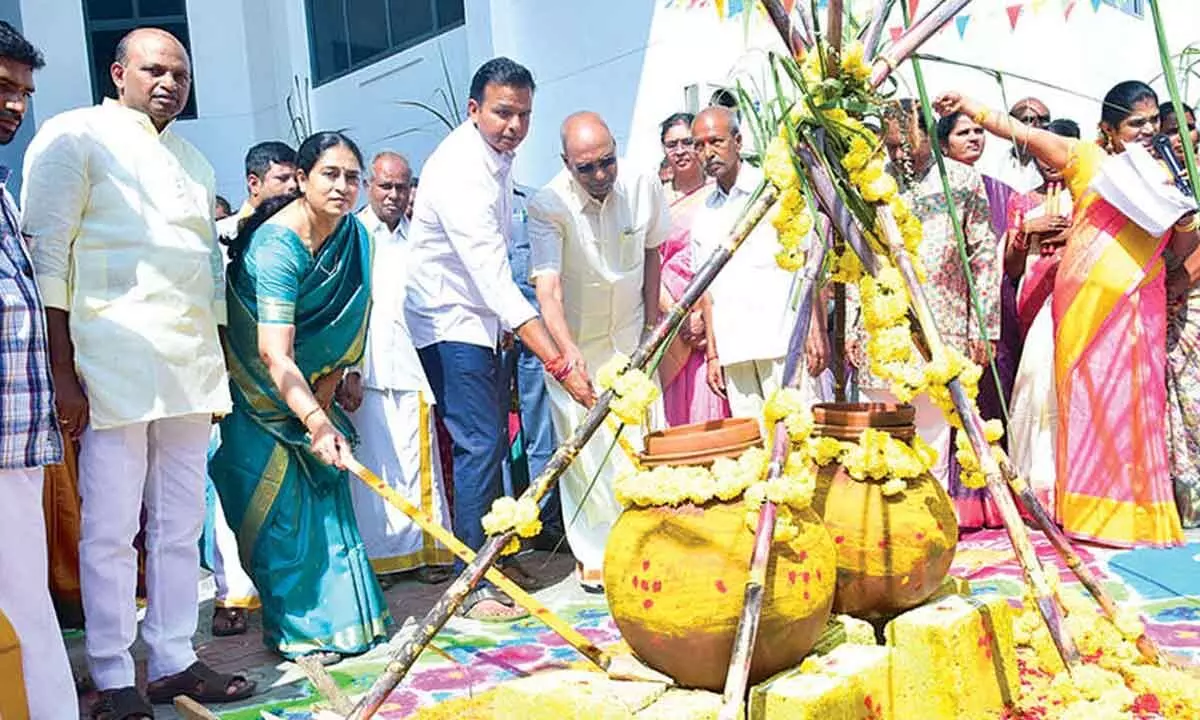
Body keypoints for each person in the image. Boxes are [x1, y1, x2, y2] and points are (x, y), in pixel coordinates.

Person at [22, 28, 256, 714]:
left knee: (181, 524)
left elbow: (207, 272)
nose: (168, 83)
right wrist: (62, 369)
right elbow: (48, 261)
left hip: (186, 368)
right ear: (118, 72)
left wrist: (215, 366)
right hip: (107, 363)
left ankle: (174, 658)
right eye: (154, 69)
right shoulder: (73, 136)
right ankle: (114, 673)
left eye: (180, 74)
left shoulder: (192, 160)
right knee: (110, 528)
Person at [936, 82, 1193, 547]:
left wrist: (1184, 228)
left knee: (1139, 405)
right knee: (1093, 404)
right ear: (1108, 131)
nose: (1148, 130)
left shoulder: (1171, 177)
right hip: (1087, 304)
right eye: (1136, 122)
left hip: (1144, 298)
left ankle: (1138, 515)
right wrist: (971, 106)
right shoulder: (1088, 159)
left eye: (1153, 121)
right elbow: (1020, 132)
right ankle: (1092, 514)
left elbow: (1180, 246)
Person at [405, 57, 593, 620]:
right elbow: (493, 280)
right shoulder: (461, 168)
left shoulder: (497, 159)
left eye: (523, 114)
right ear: (473, 110)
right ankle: (471, 580)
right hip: (449, 322)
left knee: (489, 447)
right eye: (502, 112)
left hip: (481, 322)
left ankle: (493, 557)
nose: (513, 125)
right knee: (480, 445)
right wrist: (561, 362)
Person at [209, 131, 391, 664]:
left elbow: (342, 335)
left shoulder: (355, 239)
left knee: (326, 510)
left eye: (351, 177)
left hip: (315, 398)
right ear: (304, 179)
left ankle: (348, 626)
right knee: (282, 520)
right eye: (329, 174)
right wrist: (315, 421)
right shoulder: (276, 247)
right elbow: (272, 353)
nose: (342, 186)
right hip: (261, 402)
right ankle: (301, 633)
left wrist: (324, 402)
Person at [528, 111, 668, 591]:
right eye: (586, 168)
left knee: (641, 442)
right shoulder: (547, 204)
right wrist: (568, 354)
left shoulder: (643, 182)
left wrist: (652, 326)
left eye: (606, 162)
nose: (600, 176)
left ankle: (650, 538)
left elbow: (653, 252)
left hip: (631, 338)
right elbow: (548, 288)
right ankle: (597, 555)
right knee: (586, 453)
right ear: (567, 163)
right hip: (578, 344)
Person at [865, 100, 1000, 507]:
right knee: (885, 430)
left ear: (929, 135)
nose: (899, 155)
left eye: (906, 143)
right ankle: (896, 524)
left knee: (935, 433)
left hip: (943, 325)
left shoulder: (961, 179)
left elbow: (984, 255)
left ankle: (936, 523)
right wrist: (856, 324)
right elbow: (862, 256)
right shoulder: (874, 185)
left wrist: (985, 327)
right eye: (891, 147)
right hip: (885, 325)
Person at [0, 22, 77, 720]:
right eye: (3, 88)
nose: (16, 106)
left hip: (17, 440)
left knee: (26, 603)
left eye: (24, 93)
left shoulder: (1, 192)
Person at [345, 151, 454, 583]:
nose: (393, 194)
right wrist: (348, 368)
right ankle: (382, 560)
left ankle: (425, 554)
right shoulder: (350, 235)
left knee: (416, 465)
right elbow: (345, 308)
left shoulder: (420, 237)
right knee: (373, 471)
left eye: (401, 186)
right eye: (385, 186)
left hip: (413, 369)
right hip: (365, 372)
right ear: (369, 185)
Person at [203, 140, 297, 639]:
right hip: (231, 385)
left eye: (295, 180)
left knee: (287, 491)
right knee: (232, 486)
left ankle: (291, 586)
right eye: (282, 180)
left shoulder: (297, 239)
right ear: (254, 184)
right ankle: (233, 594)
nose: (292, 189)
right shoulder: (218, 240)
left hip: (285, 384)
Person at [692, 106, 826, 423]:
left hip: (784, 342)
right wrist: (713, 354)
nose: (708, 152)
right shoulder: (704, 214)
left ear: (737, 141)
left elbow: (810, 261)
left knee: (800, 439)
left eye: (716, 141)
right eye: (699, 145)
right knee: (756, 449)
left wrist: (815, 327)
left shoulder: (774, 191)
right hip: (735, 350)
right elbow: (708, 294)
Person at [936, 110, 1020, 528]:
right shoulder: (931, 188)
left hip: (992, 309)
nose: (974, 138)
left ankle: (994, 501)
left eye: (979, 132)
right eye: (963, 132)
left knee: (988, 401)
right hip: (947, 314)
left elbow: (993, 260)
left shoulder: (1003, 191)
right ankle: (957, 505)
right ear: (943, 143)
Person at [1005, 118, 1080, 516]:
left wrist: (1075, 233)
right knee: (1036, 384)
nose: (1049, 161)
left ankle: (1077, 493)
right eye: (1041, 152)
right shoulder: (1023, 201)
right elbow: (1012, 268)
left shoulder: (1094, 198)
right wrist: (1025, 232)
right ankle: (1036, 493)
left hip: (1082, 301)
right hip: (1036, 302)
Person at [501, 185, 565, 550]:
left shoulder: (532, 203)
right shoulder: (471, 204)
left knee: (541, 430)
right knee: (496, 438)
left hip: (534, 331)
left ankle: (544, 520)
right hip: (492, 333)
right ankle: (509, 528)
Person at [656, 112, 728, 427]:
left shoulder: (719, 196)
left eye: (688, 142)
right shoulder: (656, 201)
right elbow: (649, 266)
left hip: (713, 320)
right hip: (672, 323)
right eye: (672, 145)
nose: (681, 151)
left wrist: (703, 317)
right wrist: (680, 316)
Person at [1160, 101, 1200, 528]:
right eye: (1168, 130)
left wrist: (1181, 283)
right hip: (1166, 294)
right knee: (1172, 396)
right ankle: (1184, 496)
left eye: (1185, 128)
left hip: (1189, 294)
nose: (1177, 137)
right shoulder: (1159, 176)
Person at [216, 141, 297, 241]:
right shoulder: (220, 235)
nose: (294, 185)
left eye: (297, 178)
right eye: (283, 178)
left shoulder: (306, 231)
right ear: (254, 184)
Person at [990, 97, 1052, 193]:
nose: (1038, 125)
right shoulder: (992, 166)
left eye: (1044, 120)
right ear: (1011, 124)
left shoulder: (1056, 166)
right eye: (1029, 120)